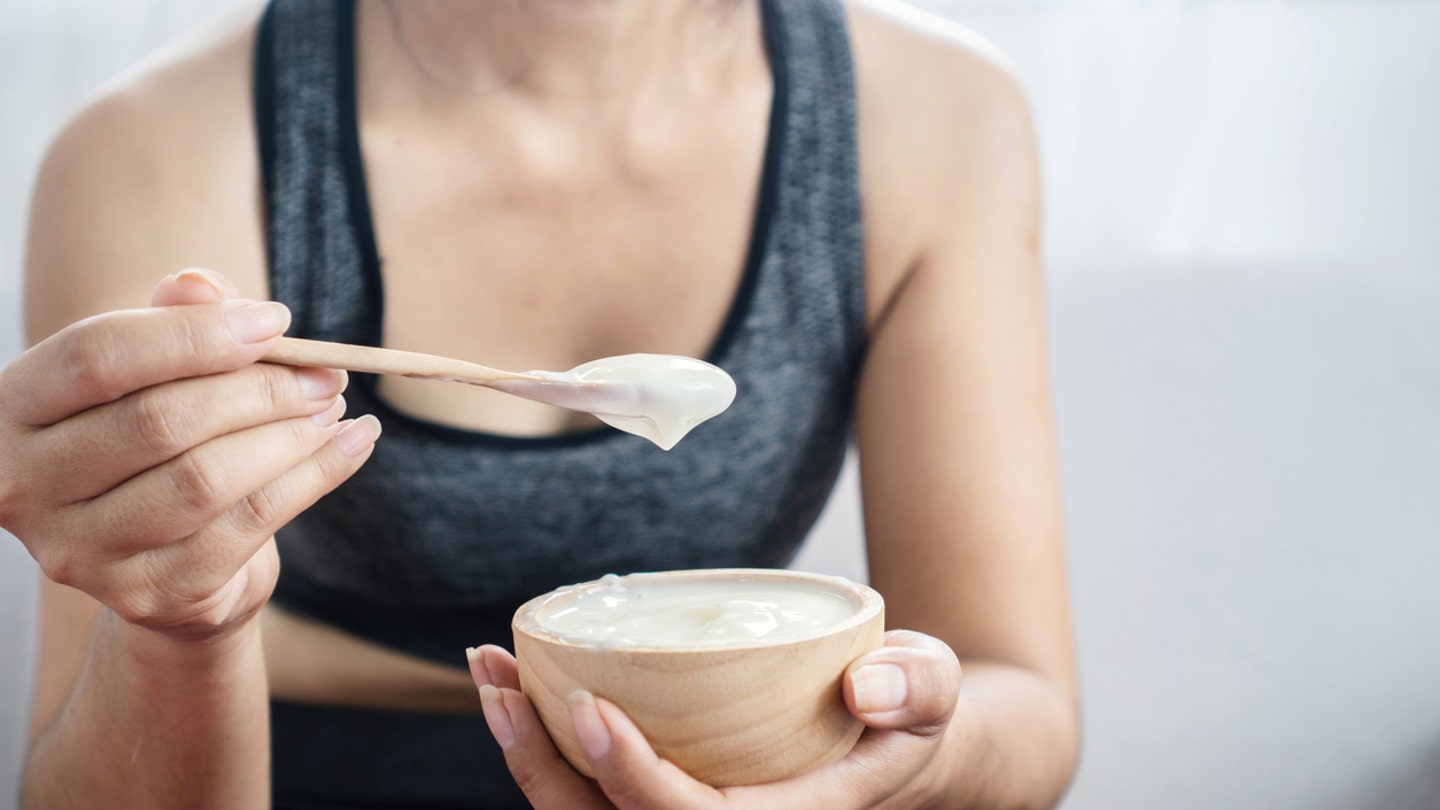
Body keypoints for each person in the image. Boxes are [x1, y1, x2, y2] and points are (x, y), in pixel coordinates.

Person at [2, 0, 1078, 807]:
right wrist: (185, 631)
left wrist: (905, 764)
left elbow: (1020, 697)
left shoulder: (930, 115)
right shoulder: (157, 150)